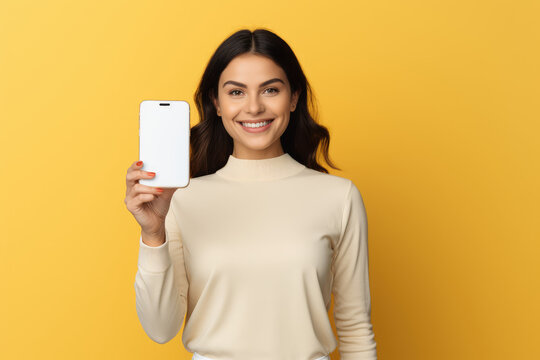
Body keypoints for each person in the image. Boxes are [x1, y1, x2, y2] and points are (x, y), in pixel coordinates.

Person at [124, 28, 378, 360]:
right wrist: (152, 233)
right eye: (236, 92)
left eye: (270, 89)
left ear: (294, 97)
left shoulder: (339, 197)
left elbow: (355, 329)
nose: (254, 107)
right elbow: (160, 329)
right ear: (216, 103)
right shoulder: (180, 199)